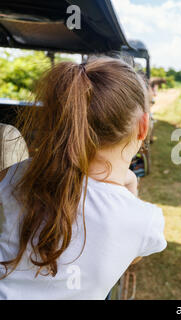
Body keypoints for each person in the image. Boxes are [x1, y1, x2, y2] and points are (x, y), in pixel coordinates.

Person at [0, 57, 166, 299]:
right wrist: (131, 188)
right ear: (143, 127)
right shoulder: (145, 221)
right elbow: (133, 255)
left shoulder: (17, 174)